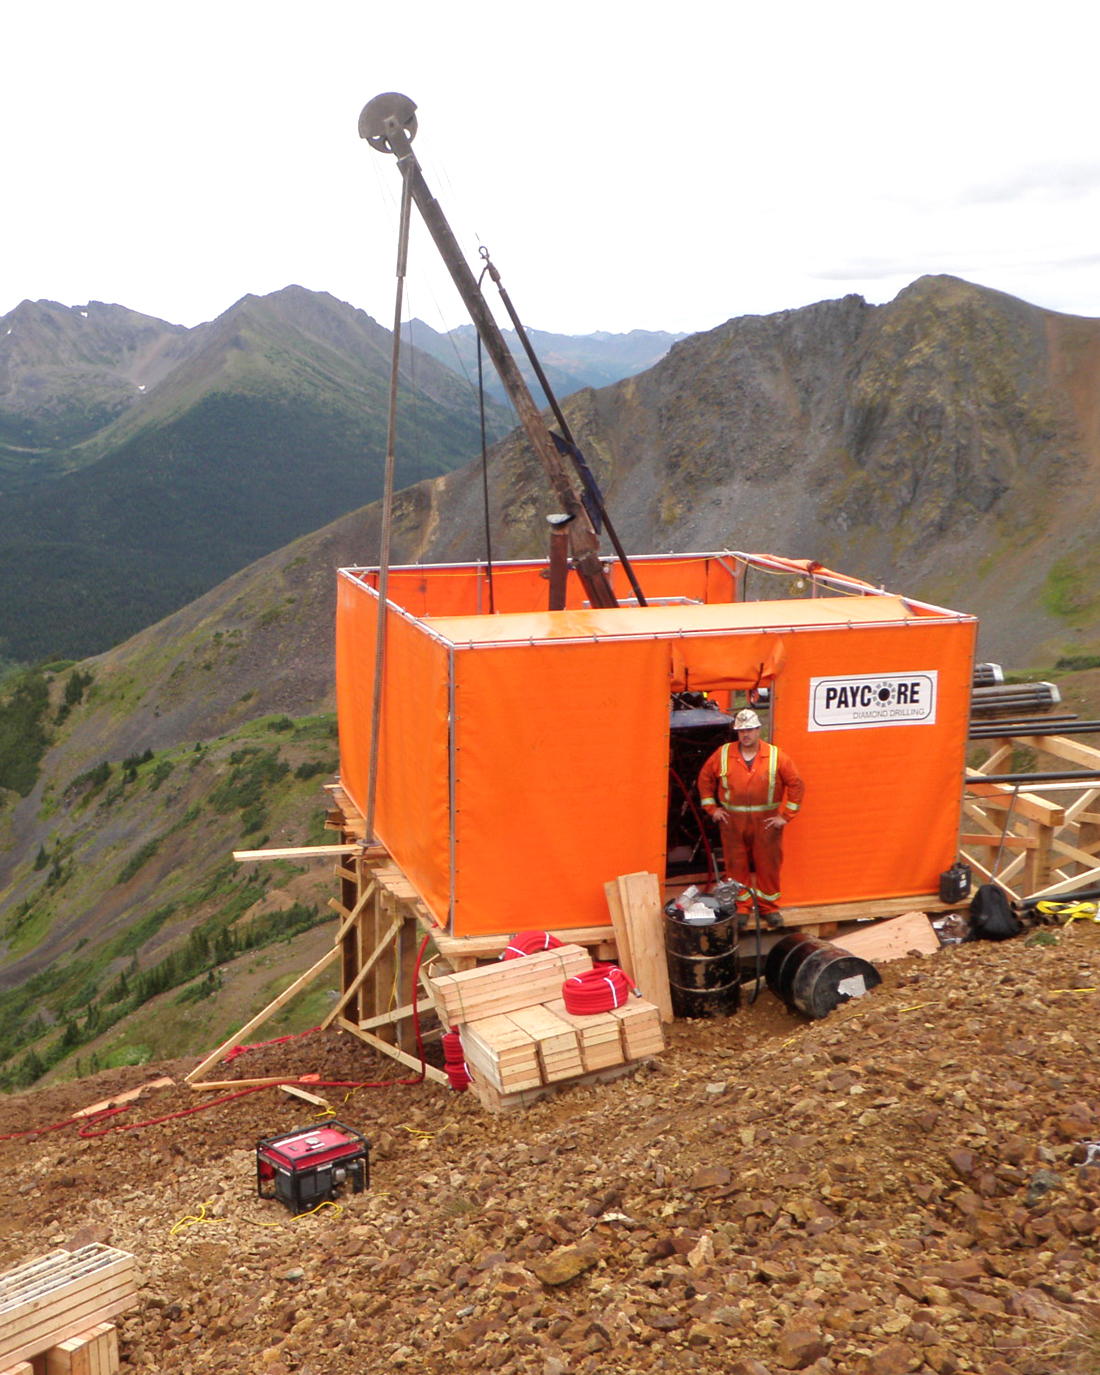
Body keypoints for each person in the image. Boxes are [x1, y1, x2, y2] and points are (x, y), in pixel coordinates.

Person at [697, 708, 804, 927]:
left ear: (758, 730)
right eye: (741, 731)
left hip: (766, 822)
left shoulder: (776, 756)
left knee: (769, 866)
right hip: (732, 822)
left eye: (750, 730)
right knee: (736, 866)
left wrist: (786, 816)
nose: (745, 735)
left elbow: (796, 784)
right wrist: (712, 809)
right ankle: (742, 907)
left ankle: (769, 908)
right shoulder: (723, 754)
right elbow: (705, 779)